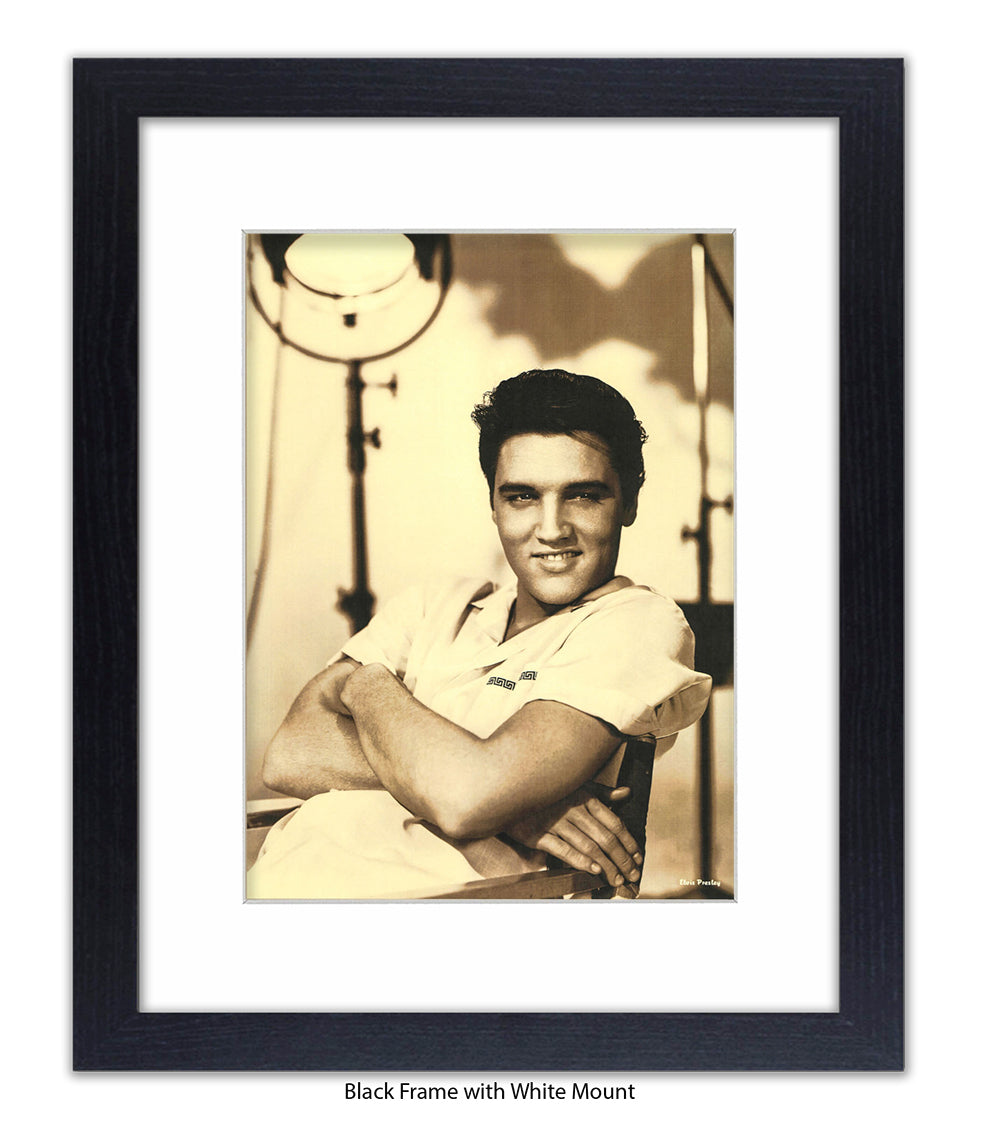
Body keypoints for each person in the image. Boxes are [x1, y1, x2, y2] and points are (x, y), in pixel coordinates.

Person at [247, 369, 711, 899]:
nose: (552, 529)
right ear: (493, 504)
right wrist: (518, 811)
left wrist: (363, 683)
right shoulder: (436, 604)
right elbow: (289, 756)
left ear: (628, 502)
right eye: (522, 497)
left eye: (583, 495)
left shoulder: (637, 622)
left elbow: (465, 798)